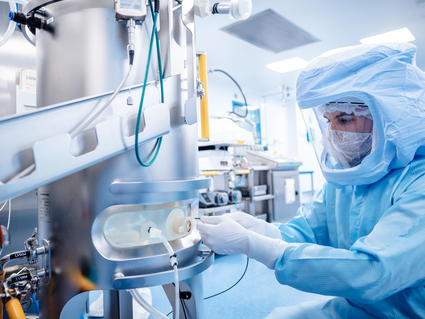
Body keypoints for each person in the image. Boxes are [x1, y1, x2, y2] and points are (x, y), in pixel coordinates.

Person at [197, 42, 425, 318]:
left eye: (344, 118)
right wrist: (258, 229)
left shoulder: (418, 183)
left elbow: (372, 272)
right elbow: (308, 230)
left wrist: (252, 245)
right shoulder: (349, 178)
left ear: (391, 116)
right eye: (328, 121)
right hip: (356, 308)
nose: (333, 134)